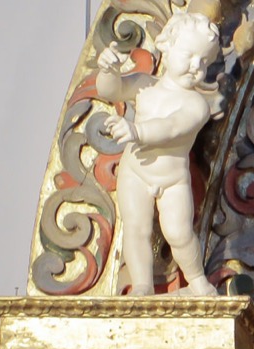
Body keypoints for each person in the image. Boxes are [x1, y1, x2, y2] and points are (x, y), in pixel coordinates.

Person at [95, 15, 223, 297]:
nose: (195, 67)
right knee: (136, 229)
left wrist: (137, 131)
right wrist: (107, 70)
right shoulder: (144, 85)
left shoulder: (196, 104)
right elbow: (110, 89)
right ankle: (143, 286)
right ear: (166, 47)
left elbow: (173, 127)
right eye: (189, 56)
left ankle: (197, 280)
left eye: (204, 62)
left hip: (173, 180)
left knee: (179, 234)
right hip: (136, 172)